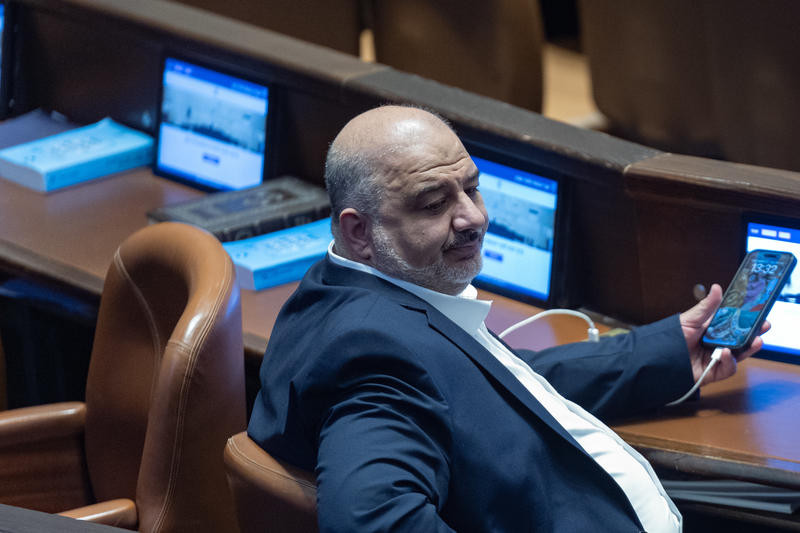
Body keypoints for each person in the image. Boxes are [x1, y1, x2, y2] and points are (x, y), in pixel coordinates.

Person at [248, 105, 766, 532]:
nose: (473, 218)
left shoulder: (354, 287)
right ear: (359, 232)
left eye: (471, 188)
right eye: (433, 204)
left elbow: (499, 384)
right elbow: (372, 522)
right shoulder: (374, 357)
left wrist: (673, 349)